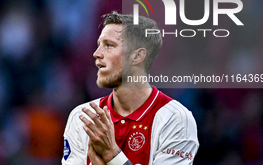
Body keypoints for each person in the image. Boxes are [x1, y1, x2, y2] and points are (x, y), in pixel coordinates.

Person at [62, 11, 199, 165]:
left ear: (138, 56)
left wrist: (111, 154)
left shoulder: (175, 119)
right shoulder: (82, 117)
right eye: (99, 45)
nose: (96, 54)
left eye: (108, 45)